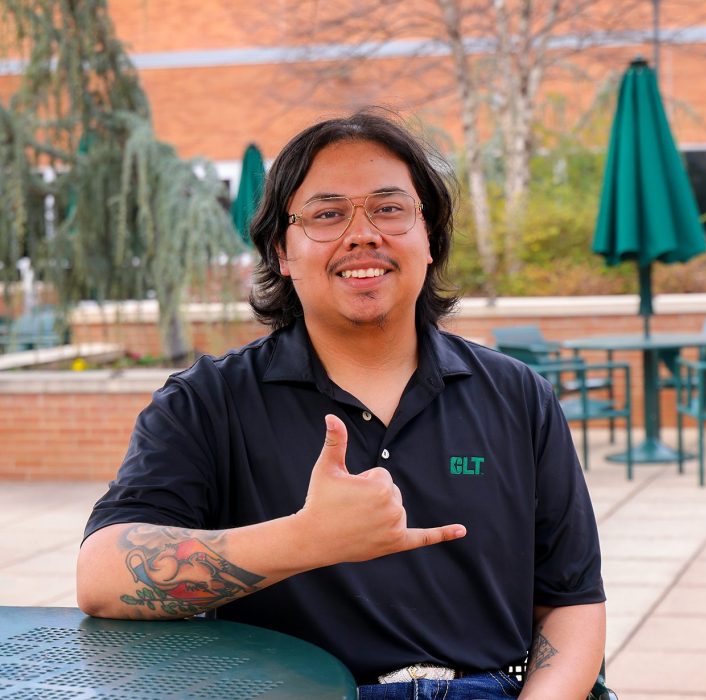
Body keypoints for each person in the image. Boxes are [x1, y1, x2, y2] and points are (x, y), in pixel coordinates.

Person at [77, 110, 606, 699]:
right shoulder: (206, 402)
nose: (364, 234)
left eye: (389, 208)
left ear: (428, 238)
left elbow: (572, 602)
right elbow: (102, 577)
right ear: (282, 250)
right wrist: (307, 539)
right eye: (327, 214)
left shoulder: (517, 395)